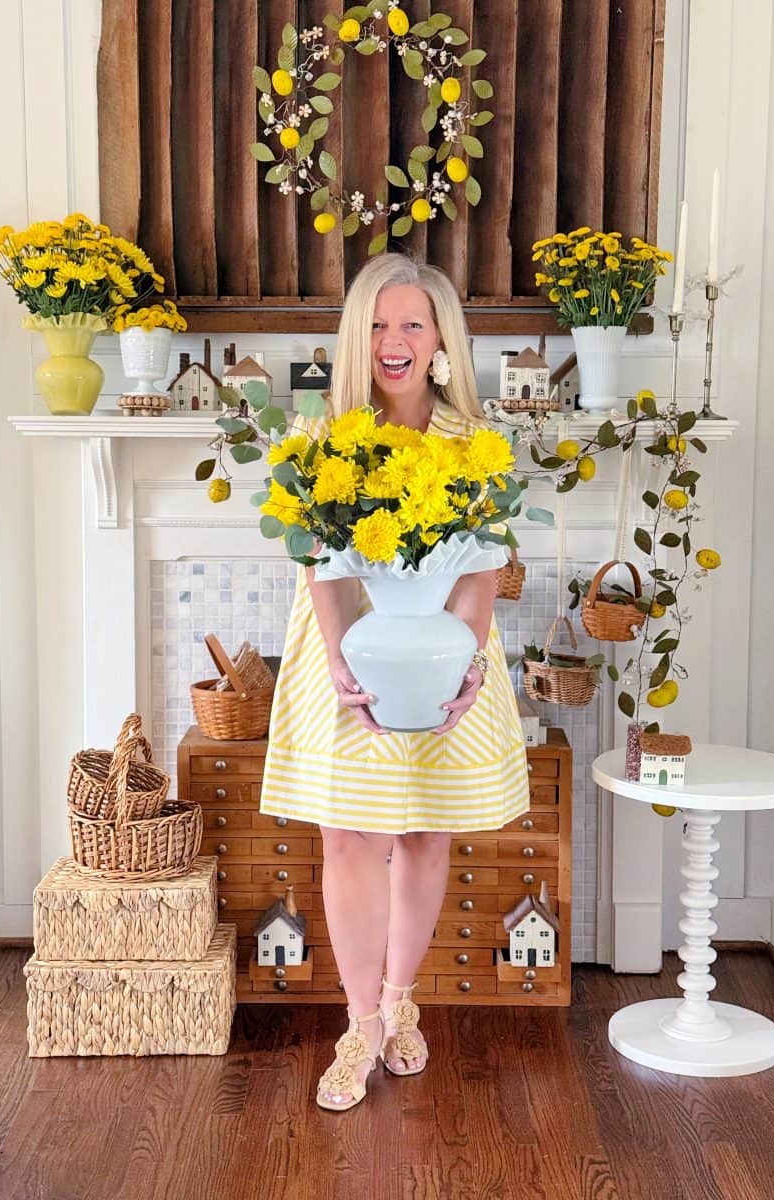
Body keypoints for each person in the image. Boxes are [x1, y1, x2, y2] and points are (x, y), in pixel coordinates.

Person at [258, 252, 529, 1111]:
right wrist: (343, 662)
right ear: (354, 337)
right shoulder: (320, 439)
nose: (393, 341)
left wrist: (466, 666)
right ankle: (360, 1024)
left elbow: (482, 575)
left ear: (443, 337)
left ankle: (402, 1000)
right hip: (346, 655)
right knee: (346, 838)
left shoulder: (474, 444)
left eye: (412, 323)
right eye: (376, 324)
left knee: (421, 834)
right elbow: (324, 575)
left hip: (447, 659)